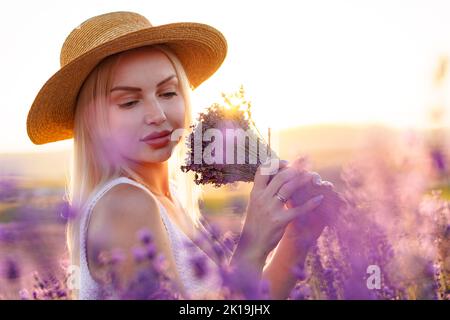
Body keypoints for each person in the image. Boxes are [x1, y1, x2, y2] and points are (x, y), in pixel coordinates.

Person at [26, 11, 330, 300]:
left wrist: (297, 236)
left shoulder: (161, 202)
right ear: (92, 122)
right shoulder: (125, 204)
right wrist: (254, 242)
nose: (157, 115)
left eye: (168, 93)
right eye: (130, 102)